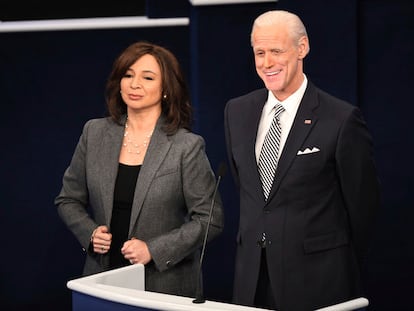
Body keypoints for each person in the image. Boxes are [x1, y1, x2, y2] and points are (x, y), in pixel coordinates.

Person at [224, 10, 381, 310]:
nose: (266, 62)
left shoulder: (341, 118)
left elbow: (364, 208)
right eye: (259, 52)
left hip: (319, 283)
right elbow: (252, 194)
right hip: (251, 281)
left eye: (276, 51)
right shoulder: (236, 112)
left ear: (302, 48)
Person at [55, 41, 224, 298]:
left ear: (166, 88)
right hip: (102, 280)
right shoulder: (95, 132)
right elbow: (68, 199)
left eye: (147, 77)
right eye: (128, 75)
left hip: (163, 285)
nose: (135, 84)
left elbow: (210, 219)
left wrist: (154, 250)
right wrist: (90, 233)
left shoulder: (185, 146)